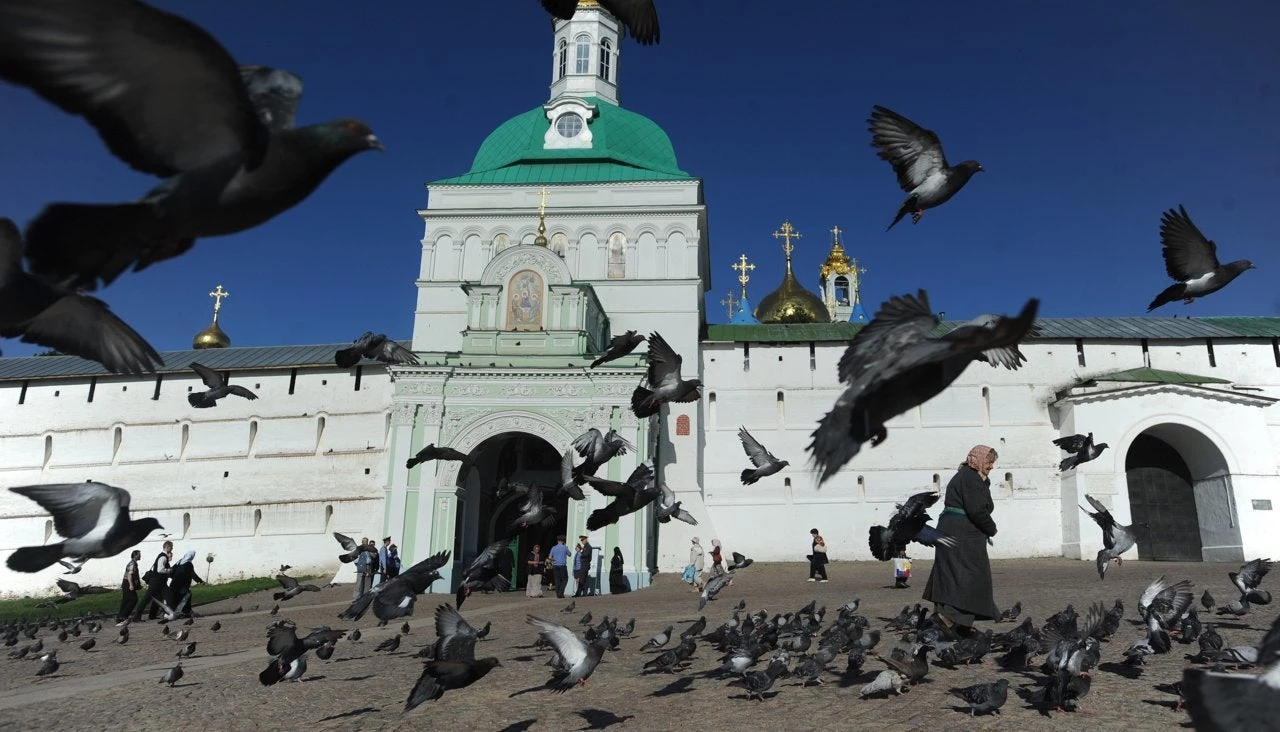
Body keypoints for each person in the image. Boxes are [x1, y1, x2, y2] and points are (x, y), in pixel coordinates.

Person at [923, 444, 1001, 637]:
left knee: (954, 575)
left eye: (992, 463)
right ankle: (946, 620)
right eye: (989, 462)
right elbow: (977, 510)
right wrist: (991, 528)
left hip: (956, 531)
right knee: (968, 577)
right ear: (978, 459)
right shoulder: (970, 478)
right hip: (962, 535)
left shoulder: (970, 477)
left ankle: (959, 625)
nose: (991, 466)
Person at [132, 540, 173, 621]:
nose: (172, 549)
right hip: (157, 582)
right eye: (171, 547)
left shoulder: (162, 556)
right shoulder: (163, 557)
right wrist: (169, 570)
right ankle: (137, 617)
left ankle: (152, 615)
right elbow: (160, 569)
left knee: (159, 598)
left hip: (160, 582)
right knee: (147, 598)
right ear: (167, 547)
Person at [165, 550, 204, 619]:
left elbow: (172, 570)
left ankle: (179, 612)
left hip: (174, 583)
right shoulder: (188, 564)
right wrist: (200, 581)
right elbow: (192, 574)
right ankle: (186, 612)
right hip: (183, 584)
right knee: (187, 596)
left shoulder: (179, 561)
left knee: (179, 597)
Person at [116, 550, 142, 626]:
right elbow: (129, 575)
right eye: (139, 555)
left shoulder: (133, 563)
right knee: (133, 599)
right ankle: (123, 616)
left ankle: (119, 617)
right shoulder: (132, 564)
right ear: (135, 555)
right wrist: (131, 585)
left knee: (126, 600)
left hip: (126, 583)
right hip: (128, 583)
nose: (140, 556)